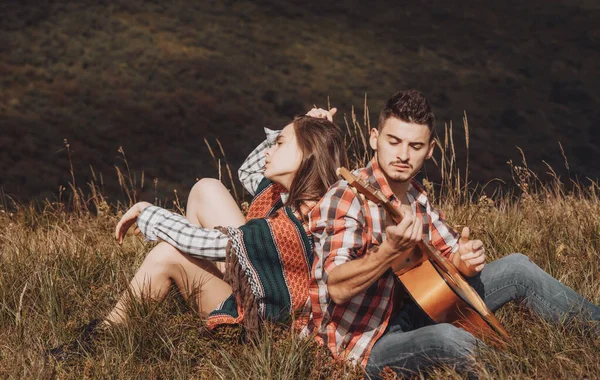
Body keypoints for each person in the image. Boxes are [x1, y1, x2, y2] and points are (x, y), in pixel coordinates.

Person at [307, 90, 600, 378]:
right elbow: (337, 288)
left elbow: (450, 256)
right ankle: (528, 372)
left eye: (415, 146)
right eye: (393, 141)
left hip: (411, 313)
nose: (403, 155)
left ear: (430, 150)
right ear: (374, 138)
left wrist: (465, 259)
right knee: (446, 339)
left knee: (517, 267)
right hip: (362, 346)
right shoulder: (349, 196)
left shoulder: (417, 197)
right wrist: (387, 253)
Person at [50, 110, 348, 358]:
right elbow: (249, 171)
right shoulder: (299, 196)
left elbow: (209, 244)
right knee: (207, 188)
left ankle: (103, 336)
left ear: (307, 154)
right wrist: (308, 124)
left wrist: (147, 212)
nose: (270, 149)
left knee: (167, 254)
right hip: (263, 293)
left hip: (262, 333)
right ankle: (181, 290)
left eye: (280, 143)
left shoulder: (289, 226)